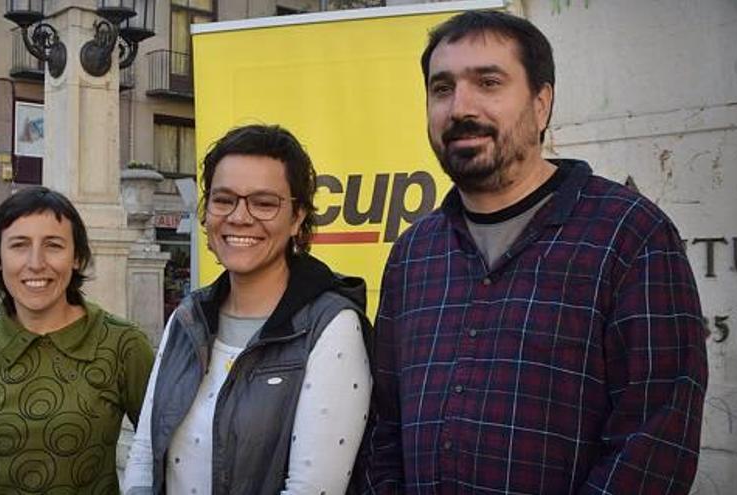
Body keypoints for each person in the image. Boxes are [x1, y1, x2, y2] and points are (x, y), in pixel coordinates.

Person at [359, 10, 707, 495]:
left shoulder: (629, 235)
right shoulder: (414, 254)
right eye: (442, 88)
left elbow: (654, 444)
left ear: (541, 104)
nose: (461, 107)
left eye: (488, 82)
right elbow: (386, 428)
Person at [124, 124, 372, 495]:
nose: (240, 217)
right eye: (224, 199)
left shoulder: (331, 326)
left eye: (264, 203)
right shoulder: (188, 317)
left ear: (298, 217)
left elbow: (311, 488)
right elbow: (144, 455)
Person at [0, 187, 155, 494]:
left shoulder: (122, 344)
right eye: (19, 245)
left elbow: (163, 452)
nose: (36, 263)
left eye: (54, 245)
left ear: (77, 258)